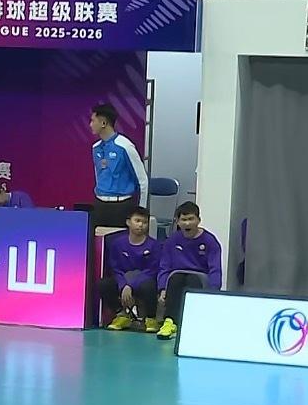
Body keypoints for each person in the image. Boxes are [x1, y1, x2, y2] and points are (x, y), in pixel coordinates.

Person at [155, 201, 223, 341]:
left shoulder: (210, 241)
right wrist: (162, 288)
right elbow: (164, 266)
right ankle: (170, 321)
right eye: (184, 220)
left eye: (191, 219)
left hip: (200, 276)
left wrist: (214, 290)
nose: (187, 223)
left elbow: (215, 268)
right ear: (178, 222)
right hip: (177, 275)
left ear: (198, 220)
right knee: (176, 279)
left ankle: (192, 321)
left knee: (191, 279)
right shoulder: (172, 241)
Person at [98, 206, 162, 333]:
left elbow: (152, 270)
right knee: (104, 284)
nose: (141, 225)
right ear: (128, 222)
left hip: (143, 281)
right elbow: (115, 269)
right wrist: (123, 285)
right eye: (137, 221)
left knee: (149, 285)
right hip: (123, 280)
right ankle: (121, 315)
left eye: (144, 222)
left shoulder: (155, 245)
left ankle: (150, 318)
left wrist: (131, 285)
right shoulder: (117, 244)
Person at [89, 102, 147, 229]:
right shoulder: (95, 148)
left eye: (93, 121)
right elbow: (98, 175)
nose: (90, 125)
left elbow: (142, 180)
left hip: (122, 205)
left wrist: (141, 210)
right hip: (100, 205)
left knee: (119, 240)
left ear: (103, 123)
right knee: (96, 240)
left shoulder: (125, 146)